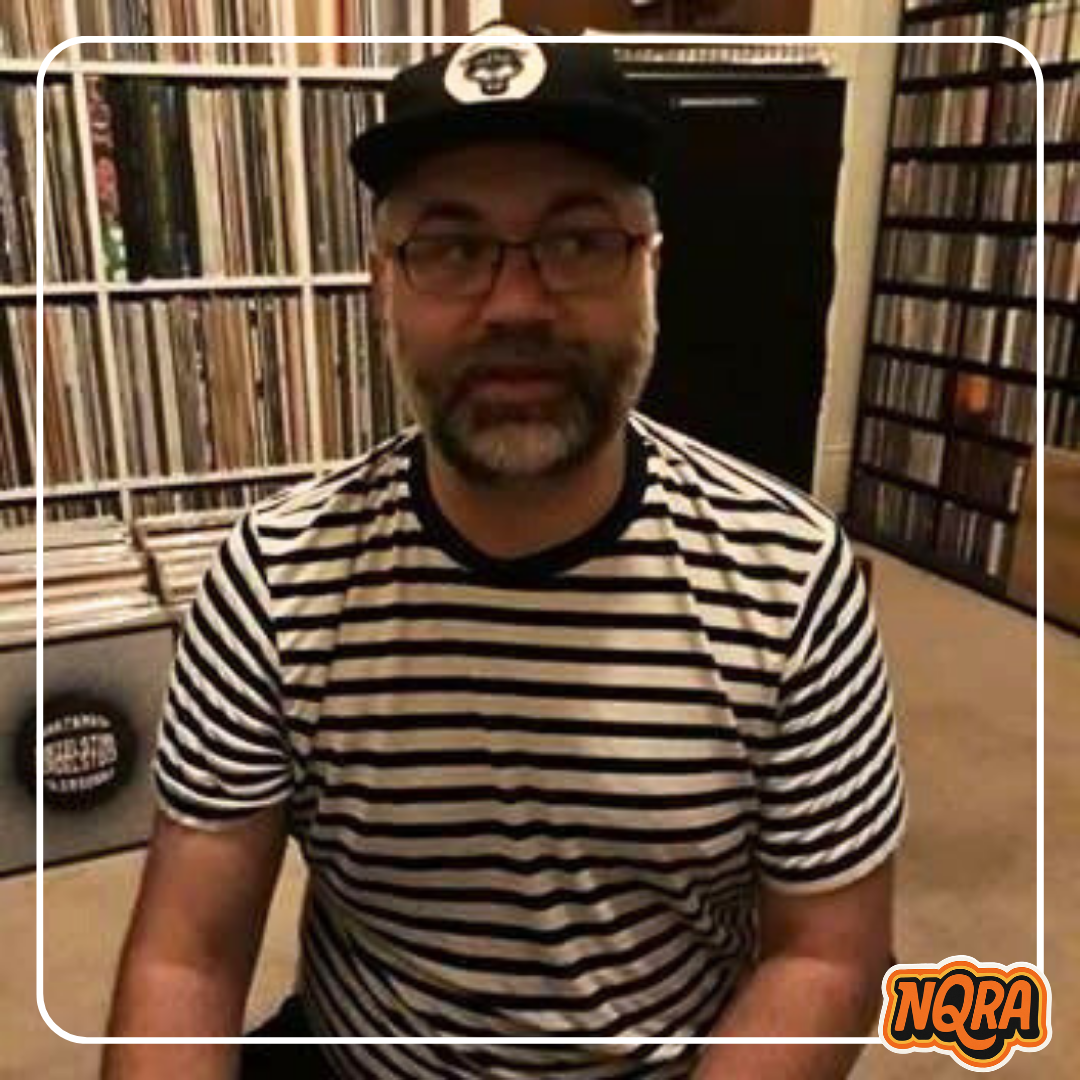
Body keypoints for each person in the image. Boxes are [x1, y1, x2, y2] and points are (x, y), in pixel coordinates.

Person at [102, 24, 906, 1080]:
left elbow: (829, 956)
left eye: (579, 242)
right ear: (382, 285)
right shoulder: (272, 582)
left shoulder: (793, 581)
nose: (517, 305)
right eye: (450, 247)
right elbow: (186, 961)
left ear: (651, 271)